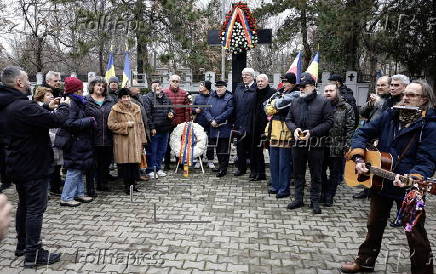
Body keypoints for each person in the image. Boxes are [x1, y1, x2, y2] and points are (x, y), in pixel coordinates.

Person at [340, 80, 436, 274]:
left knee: (415, 232)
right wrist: (358, 158)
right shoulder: (390, 115)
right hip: (381, 181)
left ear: (424, 99)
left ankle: (423, 271)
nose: (405, 97)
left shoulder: (430, 126)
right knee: (373, 225)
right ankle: (365, 261)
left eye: (411, 95)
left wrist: (413, 177)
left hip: (408, 187)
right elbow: (361, 133)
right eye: (405, 94)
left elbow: (427, 160)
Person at [0, 66, 70, 267]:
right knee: (35, 209)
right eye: (26, 79)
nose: (30, 82)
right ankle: (34, 253)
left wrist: (46, 108)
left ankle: (23, 245)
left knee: (24, 205)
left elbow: (31, 119)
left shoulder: (9, 104)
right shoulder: (22, 106)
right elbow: (57, 120)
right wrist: (64, 106)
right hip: (33, 165)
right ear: (19, 83)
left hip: (17, 163)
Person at [285, 73, 334, 214]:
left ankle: (315, 201)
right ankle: (298, 199)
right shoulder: (295, 101)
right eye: (300, 87)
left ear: (312, 87)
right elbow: (288, 119)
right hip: (298, 144)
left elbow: (329, 121)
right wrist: (294, 129)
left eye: (304, 87)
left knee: (316, 174)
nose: (301, 89)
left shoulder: (323, 101)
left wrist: (311, 133)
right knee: (298, 173)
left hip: (316, 144)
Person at [58, 77, 95, 206]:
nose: (82, 90)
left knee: (79, 168)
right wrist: (89, 120)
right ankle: (66, 197)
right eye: (80, 88)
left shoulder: (78, 101)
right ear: (77, 90)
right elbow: (69, 123)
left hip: (80, 141)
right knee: (74, 170)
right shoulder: (71, 103)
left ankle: (79, 194)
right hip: (74, 142)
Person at [354, 76, 391, 199]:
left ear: (389, 87)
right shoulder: (376, 99)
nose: (379, 87)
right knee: (367, 162)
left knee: (378, 164)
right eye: (378, 85)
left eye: (383, 85)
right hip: (369, 136)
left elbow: (386, 114)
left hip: (380, 138)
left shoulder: (391, 101)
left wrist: (379, 101)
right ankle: (366, 189)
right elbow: (363, 113)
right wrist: (370, 103)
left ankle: (375, 189)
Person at [264, 72, 299, 198]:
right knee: (274, 160)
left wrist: (273, 107)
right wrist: (273, 106)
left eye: (287, 82)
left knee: (284, 162)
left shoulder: (297, 93)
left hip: (286, 130)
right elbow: (265, 105)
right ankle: (276, 185)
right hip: (274, 129)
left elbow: (280, 104)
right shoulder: (279, 92)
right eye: (283, 82)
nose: (284, 84)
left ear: (293, 83)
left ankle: (284, 189)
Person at [108, 88, 147, 194]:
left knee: (135, 165)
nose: (126, 99)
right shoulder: (115, 109)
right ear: (120, 99)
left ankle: (133, 185)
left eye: (128, 97)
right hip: (123, 142)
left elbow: (141, 125)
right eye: (124, 97)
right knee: (125, 166)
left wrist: (143, 140)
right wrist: (126, 125)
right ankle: (126, 186)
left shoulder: (136, 108)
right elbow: (111, 125)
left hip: (135, 141)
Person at [321, 84, 355, 206]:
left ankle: (330, 195)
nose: (328, 93)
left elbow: (350, 128)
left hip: (338, 146)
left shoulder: (346, 107)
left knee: (334, 173)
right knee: (320, 171)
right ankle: (323, 192)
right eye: (326, 91)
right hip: (321, 145)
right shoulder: (321, 105)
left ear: (337, 92)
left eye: (331, 90)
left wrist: (347, 146)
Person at [85, 77, 115, 192]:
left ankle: (103, 183)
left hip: (108, 136)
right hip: (92, 136)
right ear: (92, 86)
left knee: (105, 162)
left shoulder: (110, 100)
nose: (100, 88)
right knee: (93, 162)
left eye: (103, 86)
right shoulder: (86, 100)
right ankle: (91, 185)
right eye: (98, 85)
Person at [33, 87, 64, 196]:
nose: (51, 96)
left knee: (56, 166)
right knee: (49, 167)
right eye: (47, 95)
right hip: (49, 142)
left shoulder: (53, 108)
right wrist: (56, 138)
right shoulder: (38, 109)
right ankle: (49, 189)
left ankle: (55, 187)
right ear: (41, 98)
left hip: (56, 141)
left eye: (51, 95)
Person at [143, 81, 174, 178]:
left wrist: (171, 113)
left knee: (162, 150)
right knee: (152, 150)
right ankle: (150, 170)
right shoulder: (147, 98)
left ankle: (158, 167)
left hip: (165, 129)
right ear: (151, 87)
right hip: (154, 130)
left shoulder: (166, 97)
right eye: (155, 86)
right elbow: (148, 114)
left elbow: (171, 108)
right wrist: (152, 127)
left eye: (159, 86)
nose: (157, 88)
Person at [204, 80, 233, 177]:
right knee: (217, 148)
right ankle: (220, 166)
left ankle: (223, 169)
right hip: (213, 127)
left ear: (225, 88)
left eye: (221, 87)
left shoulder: (229, 97)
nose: (219, 89)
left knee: (224, 150)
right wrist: (211, 120)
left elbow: (229, 111)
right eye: (217, 87)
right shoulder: (211, 97)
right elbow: (206, 110)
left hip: (224, 127)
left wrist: (217, 120)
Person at [232, 67, 258, 178]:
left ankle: (253, 170)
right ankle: (241, 168)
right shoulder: (239, 88)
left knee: (253, 148)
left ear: (252, 76)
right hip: (240, 123)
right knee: (240, 147)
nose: (244, 77)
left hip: (252, 123)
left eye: (247, 75)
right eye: (243, 75)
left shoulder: (257, 88)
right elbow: (234, 105)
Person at [250, 74, 276, 181]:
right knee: (257, 150)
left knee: (272, 151)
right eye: (258, 81)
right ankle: (260, 173)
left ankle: (275, 176)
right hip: (256, 126)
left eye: (262, 81)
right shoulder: (255, 93)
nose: (260, 83)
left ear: (267, 81)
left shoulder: (273, 93)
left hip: (270, 127)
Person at [163, 74, 191, 169]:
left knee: (180, 143)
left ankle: (180, 163)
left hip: (180, 122)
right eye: (173, 81)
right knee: (167, 144)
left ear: (180, 82)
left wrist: (187, 122)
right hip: (168, 122)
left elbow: (187, 109)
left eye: (177, 81)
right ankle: (166, 164)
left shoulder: (184, 93)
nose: (175, 83)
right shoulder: (164, 92)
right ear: (169, 82)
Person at [193, 81, 215, 169]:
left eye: (202, 85)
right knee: (199, 141)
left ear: (207, 87)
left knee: (211, 142)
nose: (200, 86)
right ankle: (199, 160)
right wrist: (195, 110)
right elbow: (192, 108)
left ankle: (210, 160)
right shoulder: (197, 97)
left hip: (211, 123)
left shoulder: (213, 96)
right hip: (199, 123)